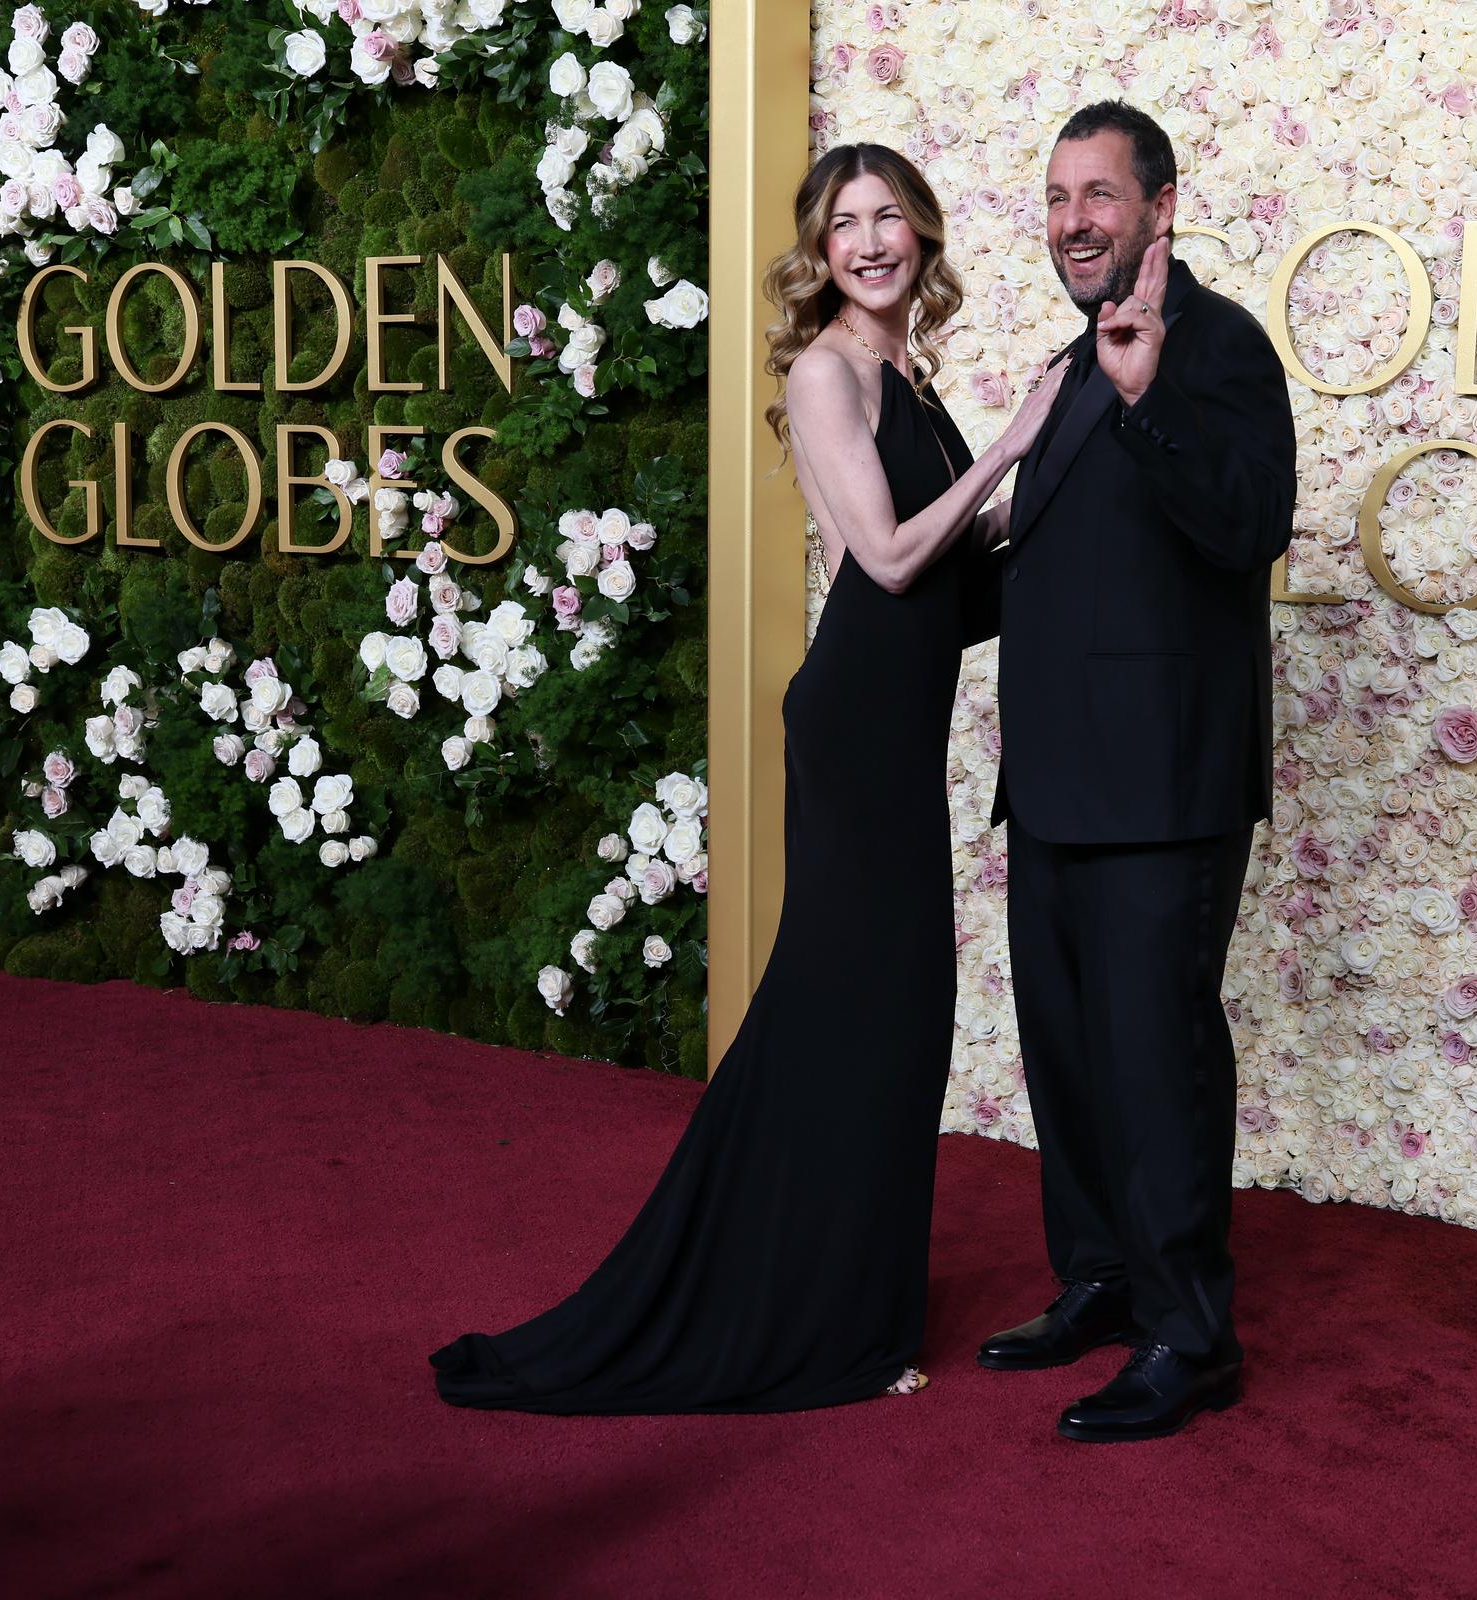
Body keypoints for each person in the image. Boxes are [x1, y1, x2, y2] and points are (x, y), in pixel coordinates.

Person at [429, 144, 1067, 1414]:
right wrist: (1015, 444)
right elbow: (888, 561)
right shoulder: (827, 369)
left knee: (882, 1020)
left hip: (894, 730)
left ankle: (847, 1307)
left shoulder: (903, 370)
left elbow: (955, 571)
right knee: (855, 1013)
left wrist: (1057, 481)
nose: (873, 242)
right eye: (846, 224)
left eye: (892, 218)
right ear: (819, 252)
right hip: (852, 733)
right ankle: (806, 1316)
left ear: (923, 236)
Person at [976, 102, 1297, 1442]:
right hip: (1054, 785)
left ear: (1163, 205)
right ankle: (1102, 1279)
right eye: (1058, 197)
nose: (1075, 220)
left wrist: (1148, 393)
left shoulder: (1213, 348)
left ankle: (1191, 1333)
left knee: (1157, 1064)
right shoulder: (1067, 364)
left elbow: (1249, 527)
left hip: (1165, 791)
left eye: (1100, 193)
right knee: (1068, 1058)